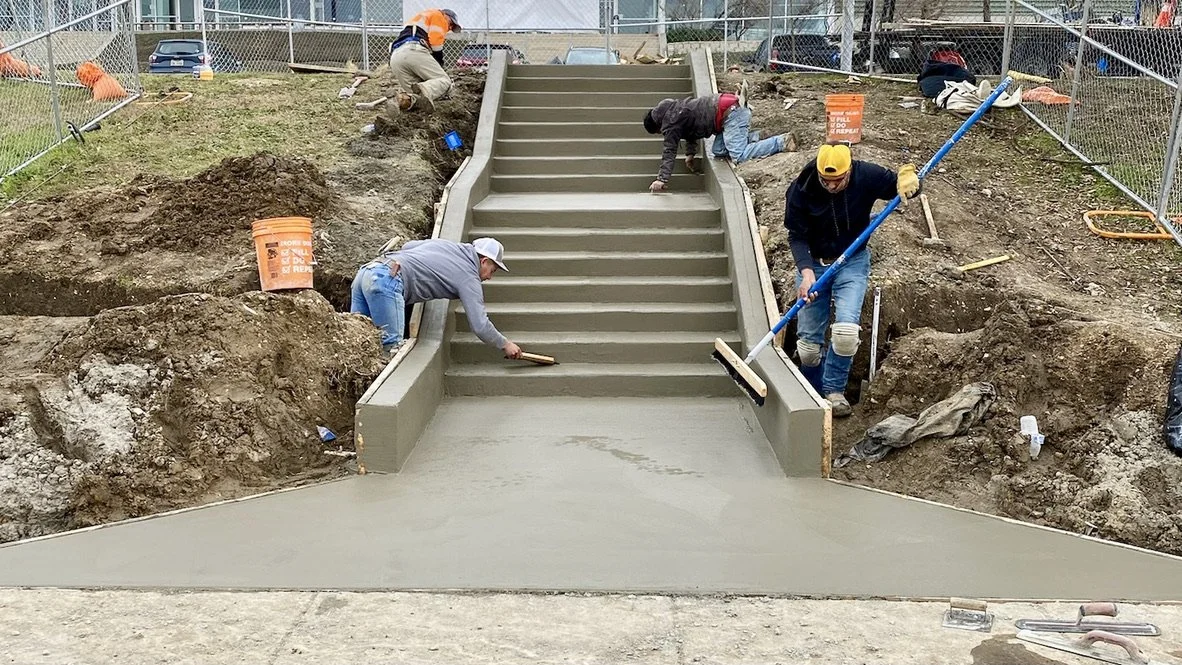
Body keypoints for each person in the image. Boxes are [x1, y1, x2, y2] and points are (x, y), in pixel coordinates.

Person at [784, 143, 920, 417]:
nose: (832, 186)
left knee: (845, 335)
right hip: (815, 263)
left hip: (852, 261)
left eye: (838, 181)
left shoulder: (866, 175)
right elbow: (796, 236)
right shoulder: (801, 190)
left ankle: (834, 391)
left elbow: (901, 185)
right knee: (808, 348)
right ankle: (811, 389)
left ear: (849, 170)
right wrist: (807, 273)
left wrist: (910, 180)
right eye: (826, 181)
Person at [350, 237, 522, 360]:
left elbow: (409, 245)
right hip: (388, 281)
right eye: (492, 271)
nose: (489, 278)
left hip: (367, 271)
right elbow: (480, 325)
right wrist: (505, 344)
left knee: (357, 344)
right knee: (392, 353)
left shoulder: (446, 246)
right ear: (484, 261)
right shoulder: (469, 276)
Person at [642, 84, 797, 192]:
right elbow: (689, 133)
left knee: (739, 155)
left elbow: (669, 151)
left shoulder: (670, 122)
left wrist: (662, 179)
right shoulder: (674, 111)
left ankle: (781, 142)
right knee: (718, 150)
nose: (662, 134)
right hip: (728, 110)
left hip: (732, 113)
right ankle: (757, 137)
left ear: (657, 126)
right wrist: (690, 154)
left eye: (659, 132)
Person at [388, 8, 462, 112]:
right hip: (413, 51)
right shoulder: (439, 16)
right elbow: (436, 42)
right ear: (447, 17)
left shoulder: (420, 20)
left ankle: (399, 102)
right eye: (451, 24)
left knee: (415, 98)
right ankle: (425, 89)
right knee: (444, 81)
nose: (449, 28)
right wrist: (439, 63)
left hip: (396, 57)